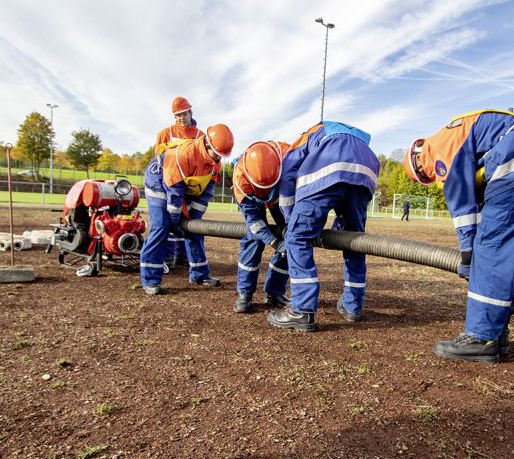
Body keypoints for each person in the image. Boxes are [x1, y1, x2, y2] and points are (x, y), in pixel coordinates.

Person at [404, 108, 514, 362]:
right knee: (498, 252)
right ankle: (496, 331)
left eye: (425, 176)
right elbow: (479, 201)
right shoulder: (457, 137)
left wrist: (468, 253)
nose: (432, 177)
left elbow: (462, 205)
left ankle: (481, 338)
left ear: (418, 161)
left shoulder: (440, 148)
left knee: (489, 249)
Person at [266, 121, 380, 332]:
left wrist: (290, 220)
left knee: (297, 238)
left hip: (330, 163)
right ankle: (353, 306)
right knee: (354, 241)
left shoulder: (310, 133)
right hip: (366, 171)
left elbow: (289, 173)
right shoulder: (357, 138)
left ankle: (302, 310)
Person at [140, 124, 234, 295]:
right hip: (159, 181)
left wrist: (193, 219)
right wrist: (175, 222)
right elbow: (174, 193)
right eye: (217, 154)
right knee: (161, 226)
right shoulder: (183, 154)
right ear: (207, 144)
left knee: (194, 228)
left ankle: (199, 274)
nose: (219, 158)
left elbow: (206, 192)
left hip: (183, 186)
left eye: (222, 155)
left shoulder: (215, 163)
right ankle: (150, 280)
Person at [231, 140, 292, 314]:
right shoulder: (240, 179)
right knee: (254, 240)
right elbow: (254, 222)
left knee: (291, 237)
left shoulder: (289, 157)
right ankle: (244, 294)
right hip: (253, 197)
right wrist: (274, 242)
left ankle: (275, 292)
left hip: (282, 191)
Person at [155, 97, 204, 270]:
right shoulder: (165, 133)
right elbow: (158, 160)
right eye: (177, 115)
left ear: (191, 112)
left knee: (188, 223)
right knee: (168, 220)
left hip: (191, 186)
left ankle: (184, 257)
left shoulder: (200, 136)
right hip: (169, 185)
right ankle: (168, 257)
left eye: (184, 113)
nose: (181, 118)